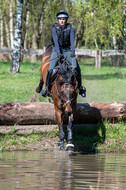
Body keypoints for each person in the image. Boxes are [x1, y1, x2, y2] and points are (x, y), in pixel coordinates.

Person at [36, 10, 86, 97]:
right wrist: (58, 52)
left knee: (77, 68)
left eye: (63, 19)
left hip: (67, 50)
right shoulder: (54, 29)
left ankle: (81, 89)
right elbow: (55, 40)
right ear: (58, 20)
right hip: (56, 50)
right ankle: (46, 88)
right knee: (50, 69)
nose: (62, 21)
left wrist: (73, 51)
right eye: (60, 19)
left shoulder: (71, 28)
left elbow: (72, 40)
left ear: (66, 20)